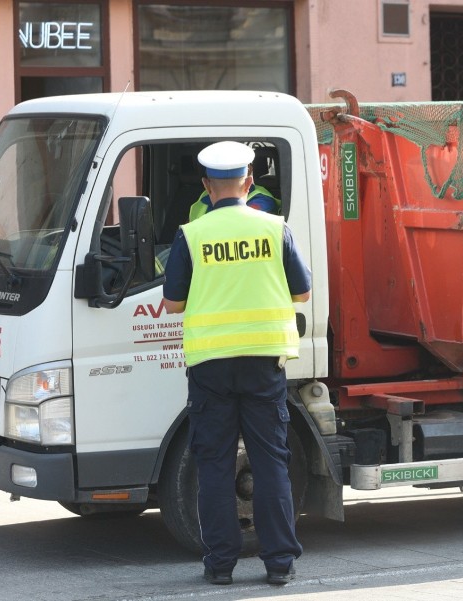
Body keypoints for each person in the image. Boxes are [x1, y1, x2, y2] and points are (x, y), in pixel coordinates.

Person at [162, 141, 311, 587]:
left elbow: (172, 305)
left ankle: (221, 565)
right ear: (249, 183)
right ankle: (280, 563)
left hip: (210, 367)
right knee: (270, 462)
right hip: (264, 365)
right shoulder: (275, 228)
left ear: (207, 188)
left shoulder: (192, 234)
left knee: (214, 464)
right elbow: (302, 293)